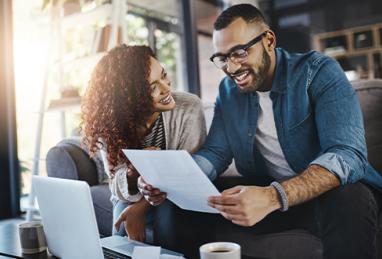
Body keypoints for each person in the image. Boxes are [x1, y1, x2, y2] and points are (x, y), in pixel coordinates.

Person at [138, 4, 382, 259]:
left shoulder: (318, 72)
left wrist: (273, 196)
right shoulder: (228, 92)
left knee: (349, 198)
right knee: (175, 204)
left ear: (268, 40)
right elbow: (216, 152)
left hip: (327, 195)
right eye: (222, 58)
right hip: (273, 194)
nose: (231, 67)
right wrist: (174, 180)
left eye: (240, 52)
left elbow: (347, 154)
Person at [81, 44, 206, 242]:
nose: (167, 89)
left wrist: (139, 209)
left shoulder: (189, 107)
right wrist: (132, 174)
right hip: (134, 193)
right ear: (129, 98)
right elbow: (116, 185)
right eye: (153, 87)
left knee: (165, 211)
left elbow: (188, 173)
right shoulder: (110, 125)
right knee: (122, 211)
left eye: (163, 76)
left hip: (175, 192)